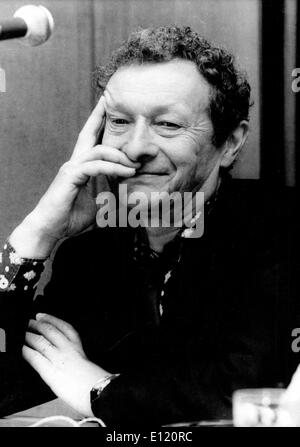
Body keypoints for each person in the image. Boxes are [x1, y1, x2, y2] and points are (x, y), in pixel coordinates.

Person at [0, 25, 297, 426]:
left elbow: (250, 393)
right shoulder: (88, 257)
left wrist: (100, 390)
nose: (136, 147)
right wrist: (36, 235)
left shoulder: (280, 228)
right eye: (120, 121)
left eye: (168, 125)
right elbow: (6, 385)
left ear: (230, 143)